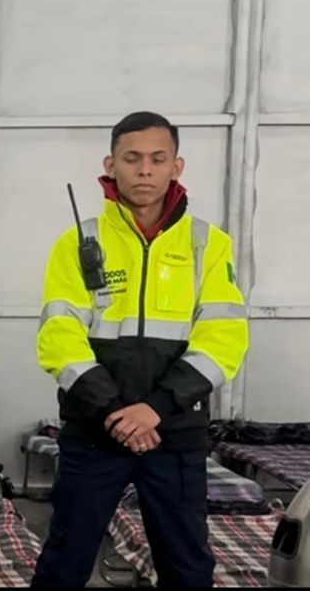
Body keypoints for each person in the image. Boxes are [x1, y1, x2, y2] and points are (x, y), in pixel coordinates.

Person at [31, 111, 249, 587]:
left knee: (187, 566)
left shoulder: (208, 245)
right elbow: (59, 338)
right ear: (111, 165)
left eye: (157, 158)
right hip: (95, 432)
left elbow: (224, 338)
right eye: (132, 158)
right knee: (64, 562)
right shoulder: (79, 242)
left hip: (174, 433)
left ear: (176, 166)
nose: (144, 170)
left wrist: (154, 409)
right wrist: (116, 411)